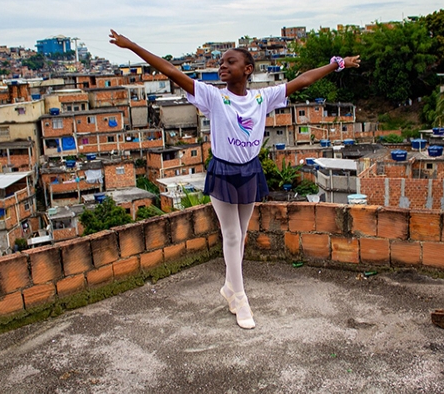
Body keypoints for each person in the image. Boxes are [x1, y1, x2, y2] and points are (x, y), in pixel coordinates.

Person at [109, 30, 360, 329]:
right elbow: (171, 70)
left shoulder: (261, 98)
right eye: (221, 63)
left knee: (241, 236)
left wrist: (337, 64)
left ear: (248, 69)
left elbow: (303, 80)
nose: (222, 66)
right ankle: (240, 298)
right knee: (230, 235)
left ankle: (229, 287)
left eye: (230, 62)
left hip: (250, 170)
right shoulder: (214, 97)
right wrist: (131, 45)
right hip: (224, 170)